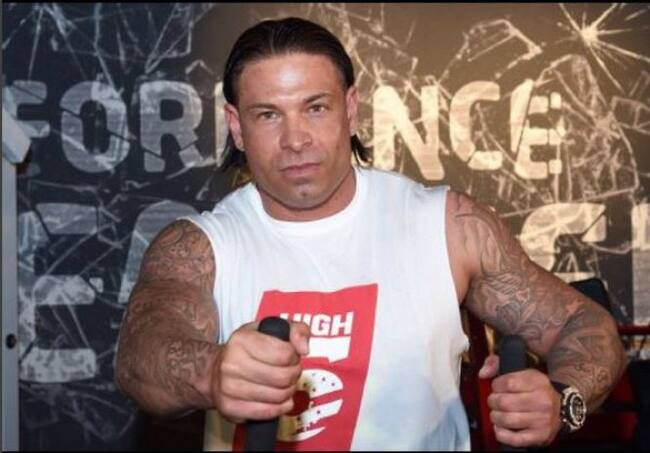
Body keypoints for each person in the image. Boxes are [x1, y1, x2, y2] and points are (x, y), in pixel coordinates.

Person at [115, 17, 627, 451]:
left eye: (316, 107)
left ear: (351, 108)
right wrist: (211, 372)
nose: (295, 139)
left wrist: (562, 400)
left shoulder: (448, 226)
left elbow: (585, 324)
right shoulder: (199, 246)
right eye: (268, 115)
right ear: (235, 126)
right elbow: (140, 357)